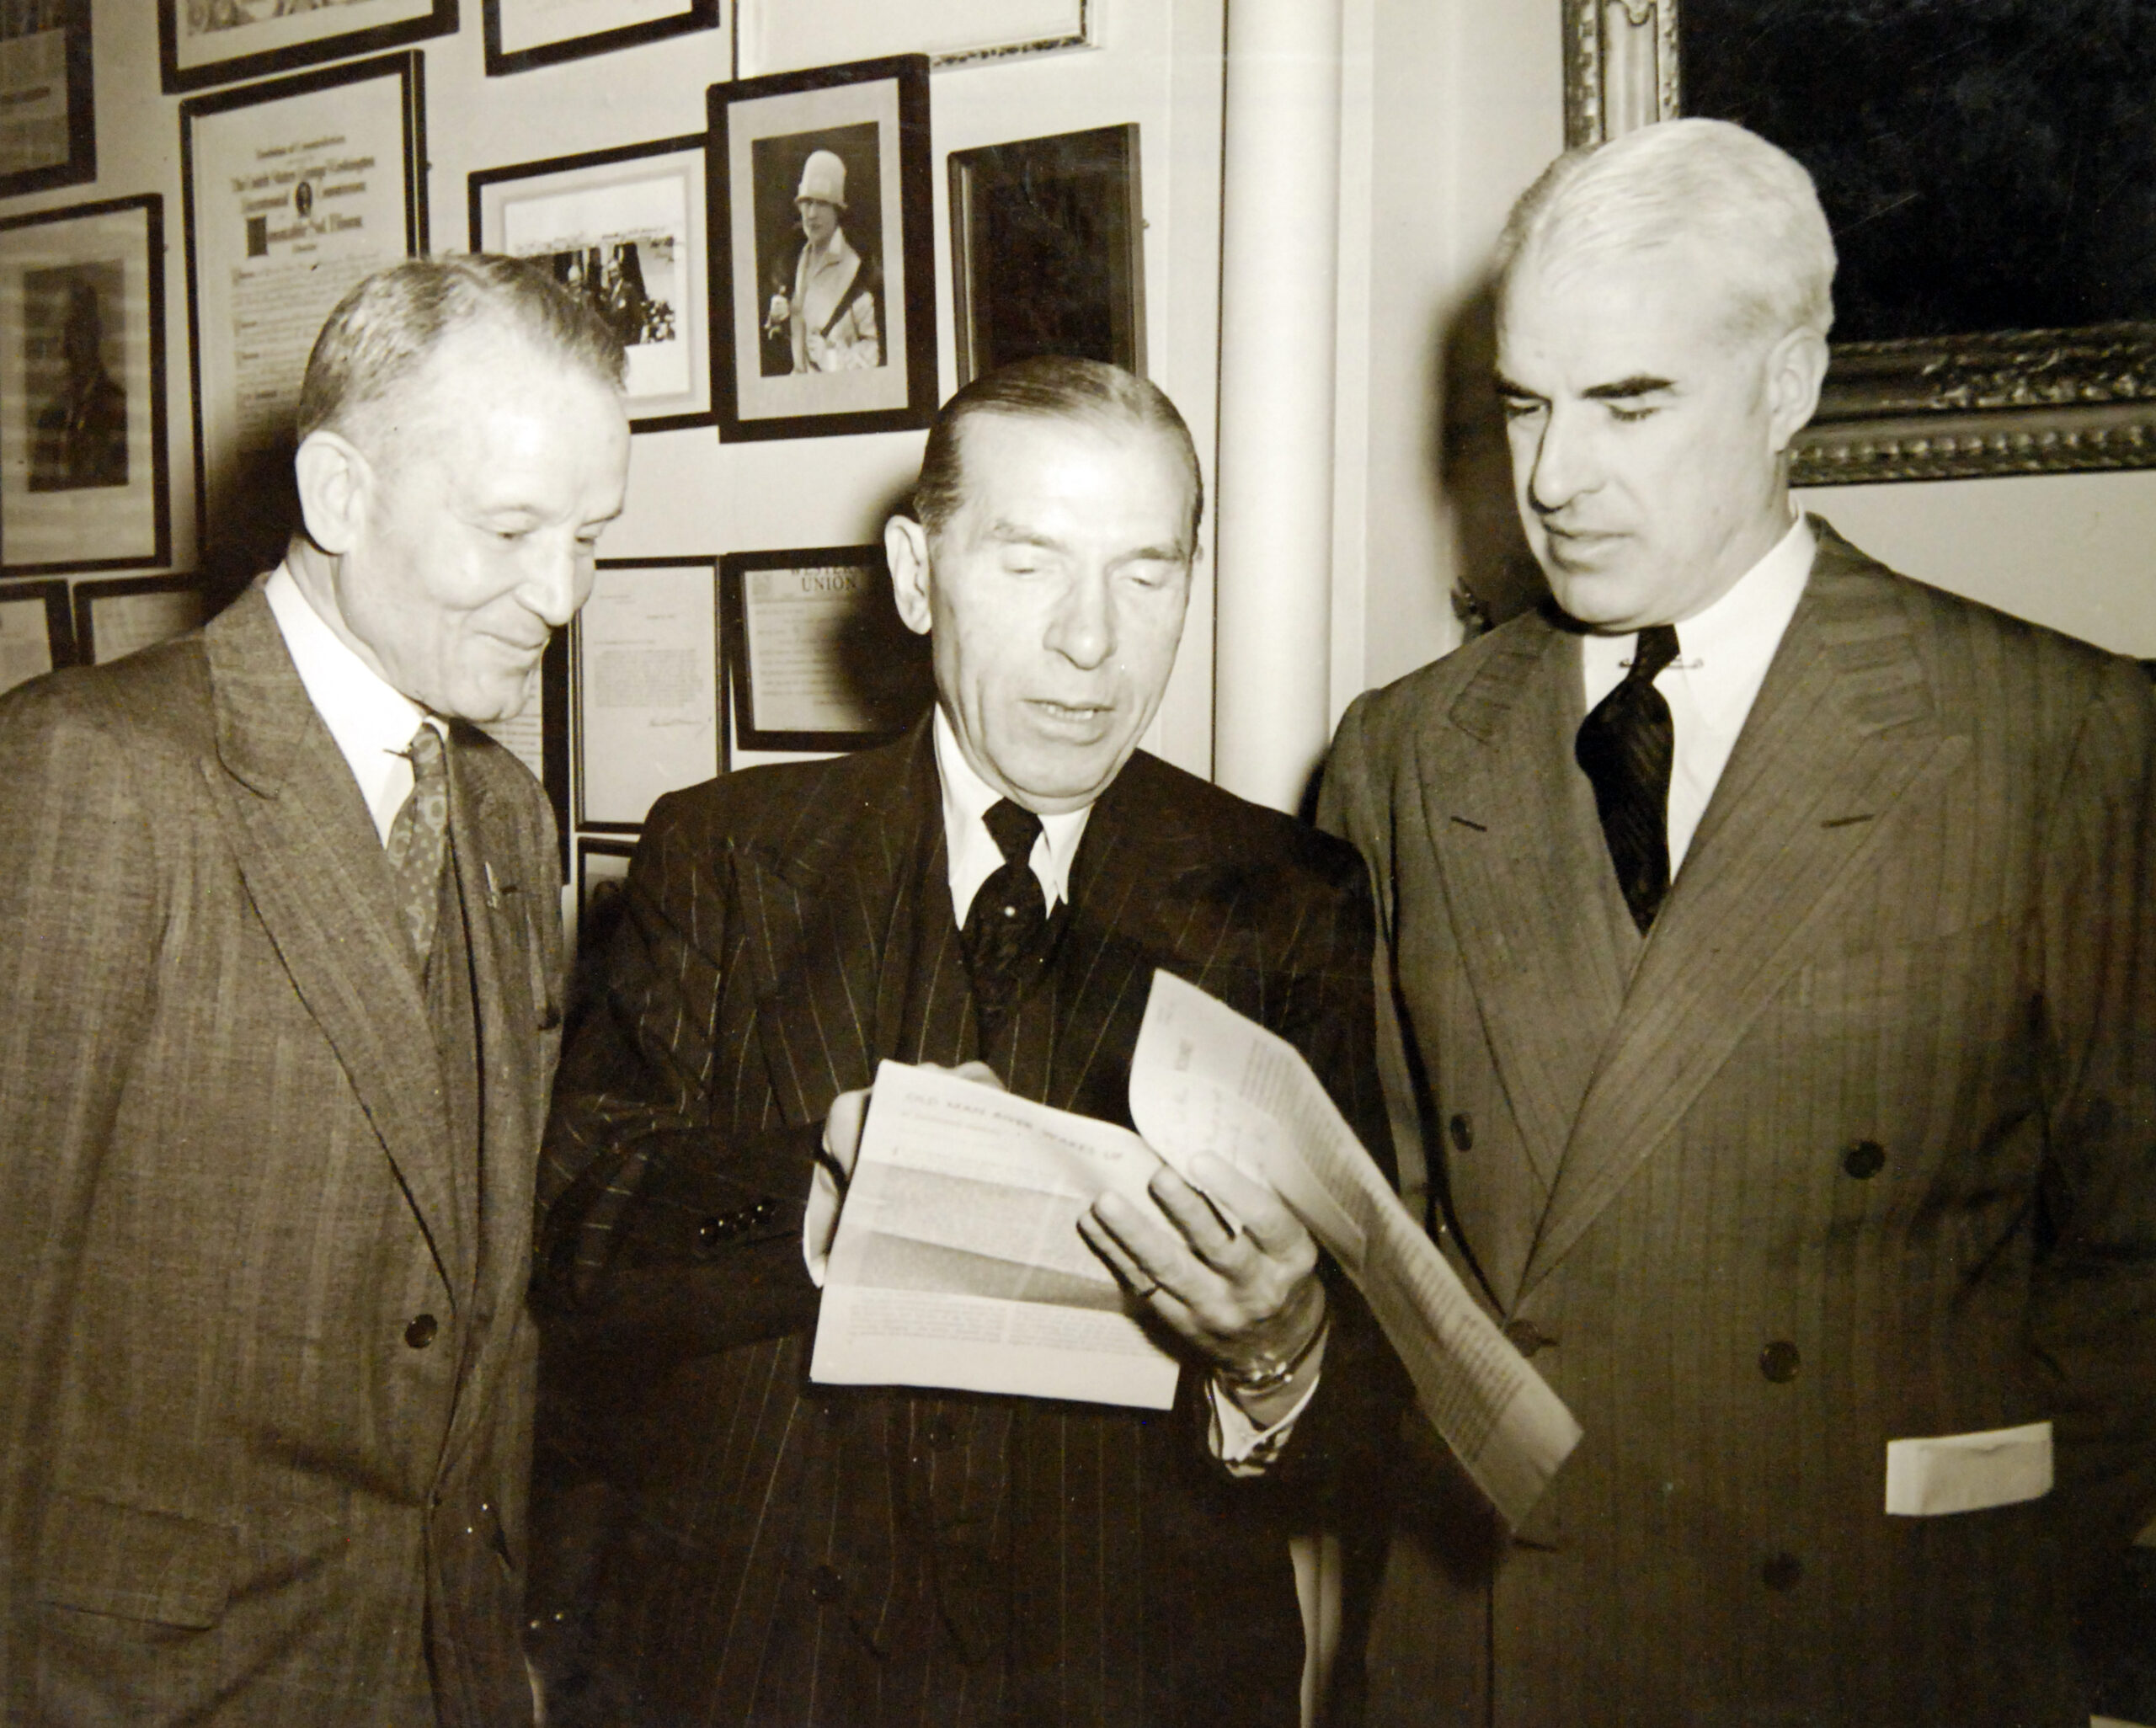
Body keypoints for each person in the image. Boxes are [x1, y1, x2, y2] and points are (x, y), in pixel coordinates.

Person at [1320, 118, 2156, 1725]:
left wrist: (1962, 1580)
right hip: (1495, 1647)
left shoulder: (2057, 737)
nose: (1555, 477)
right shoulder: (1403, 752)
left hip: (1866, 1642)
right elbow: (1389, 1228)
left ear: (1788, 385)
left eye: (1631, 403)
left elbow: (2134, 1267)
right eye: (1525, 403)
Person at [530, 356, 1404, 1728]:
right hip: (758, 1676)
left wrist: (1280, 1351)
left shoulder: (1290, 895)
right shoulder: (726, 855)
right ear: (918, 574)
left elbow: (1379, 1409)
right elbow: (576, 1243)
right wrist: (816, 1194)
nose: (1089, 641)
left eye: (1146, 571)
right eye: (1029, 565)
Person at [0, 253, 631, 1725]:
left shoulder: (503, 816)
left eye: (591, 538)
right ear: (338, 497)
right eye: (511, 530)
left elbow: (489, 1313)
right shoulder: (89, 775)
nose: (558, 596)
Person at [763, 146, 881, 373]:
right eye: (806, 202)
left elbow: (874, 351)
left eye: (821, 203)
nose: (811, 214)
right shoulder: (797, 259)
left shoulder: (857, 271)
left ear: (837, 209)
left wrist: (831, 359)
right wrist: (779, 321)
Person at [29, 276, 127, 492]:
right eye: (56, 334)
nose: (63, 348)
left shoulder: (121, 412)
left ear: (95, 333)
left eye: (72, 329)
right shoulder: (50, 418)